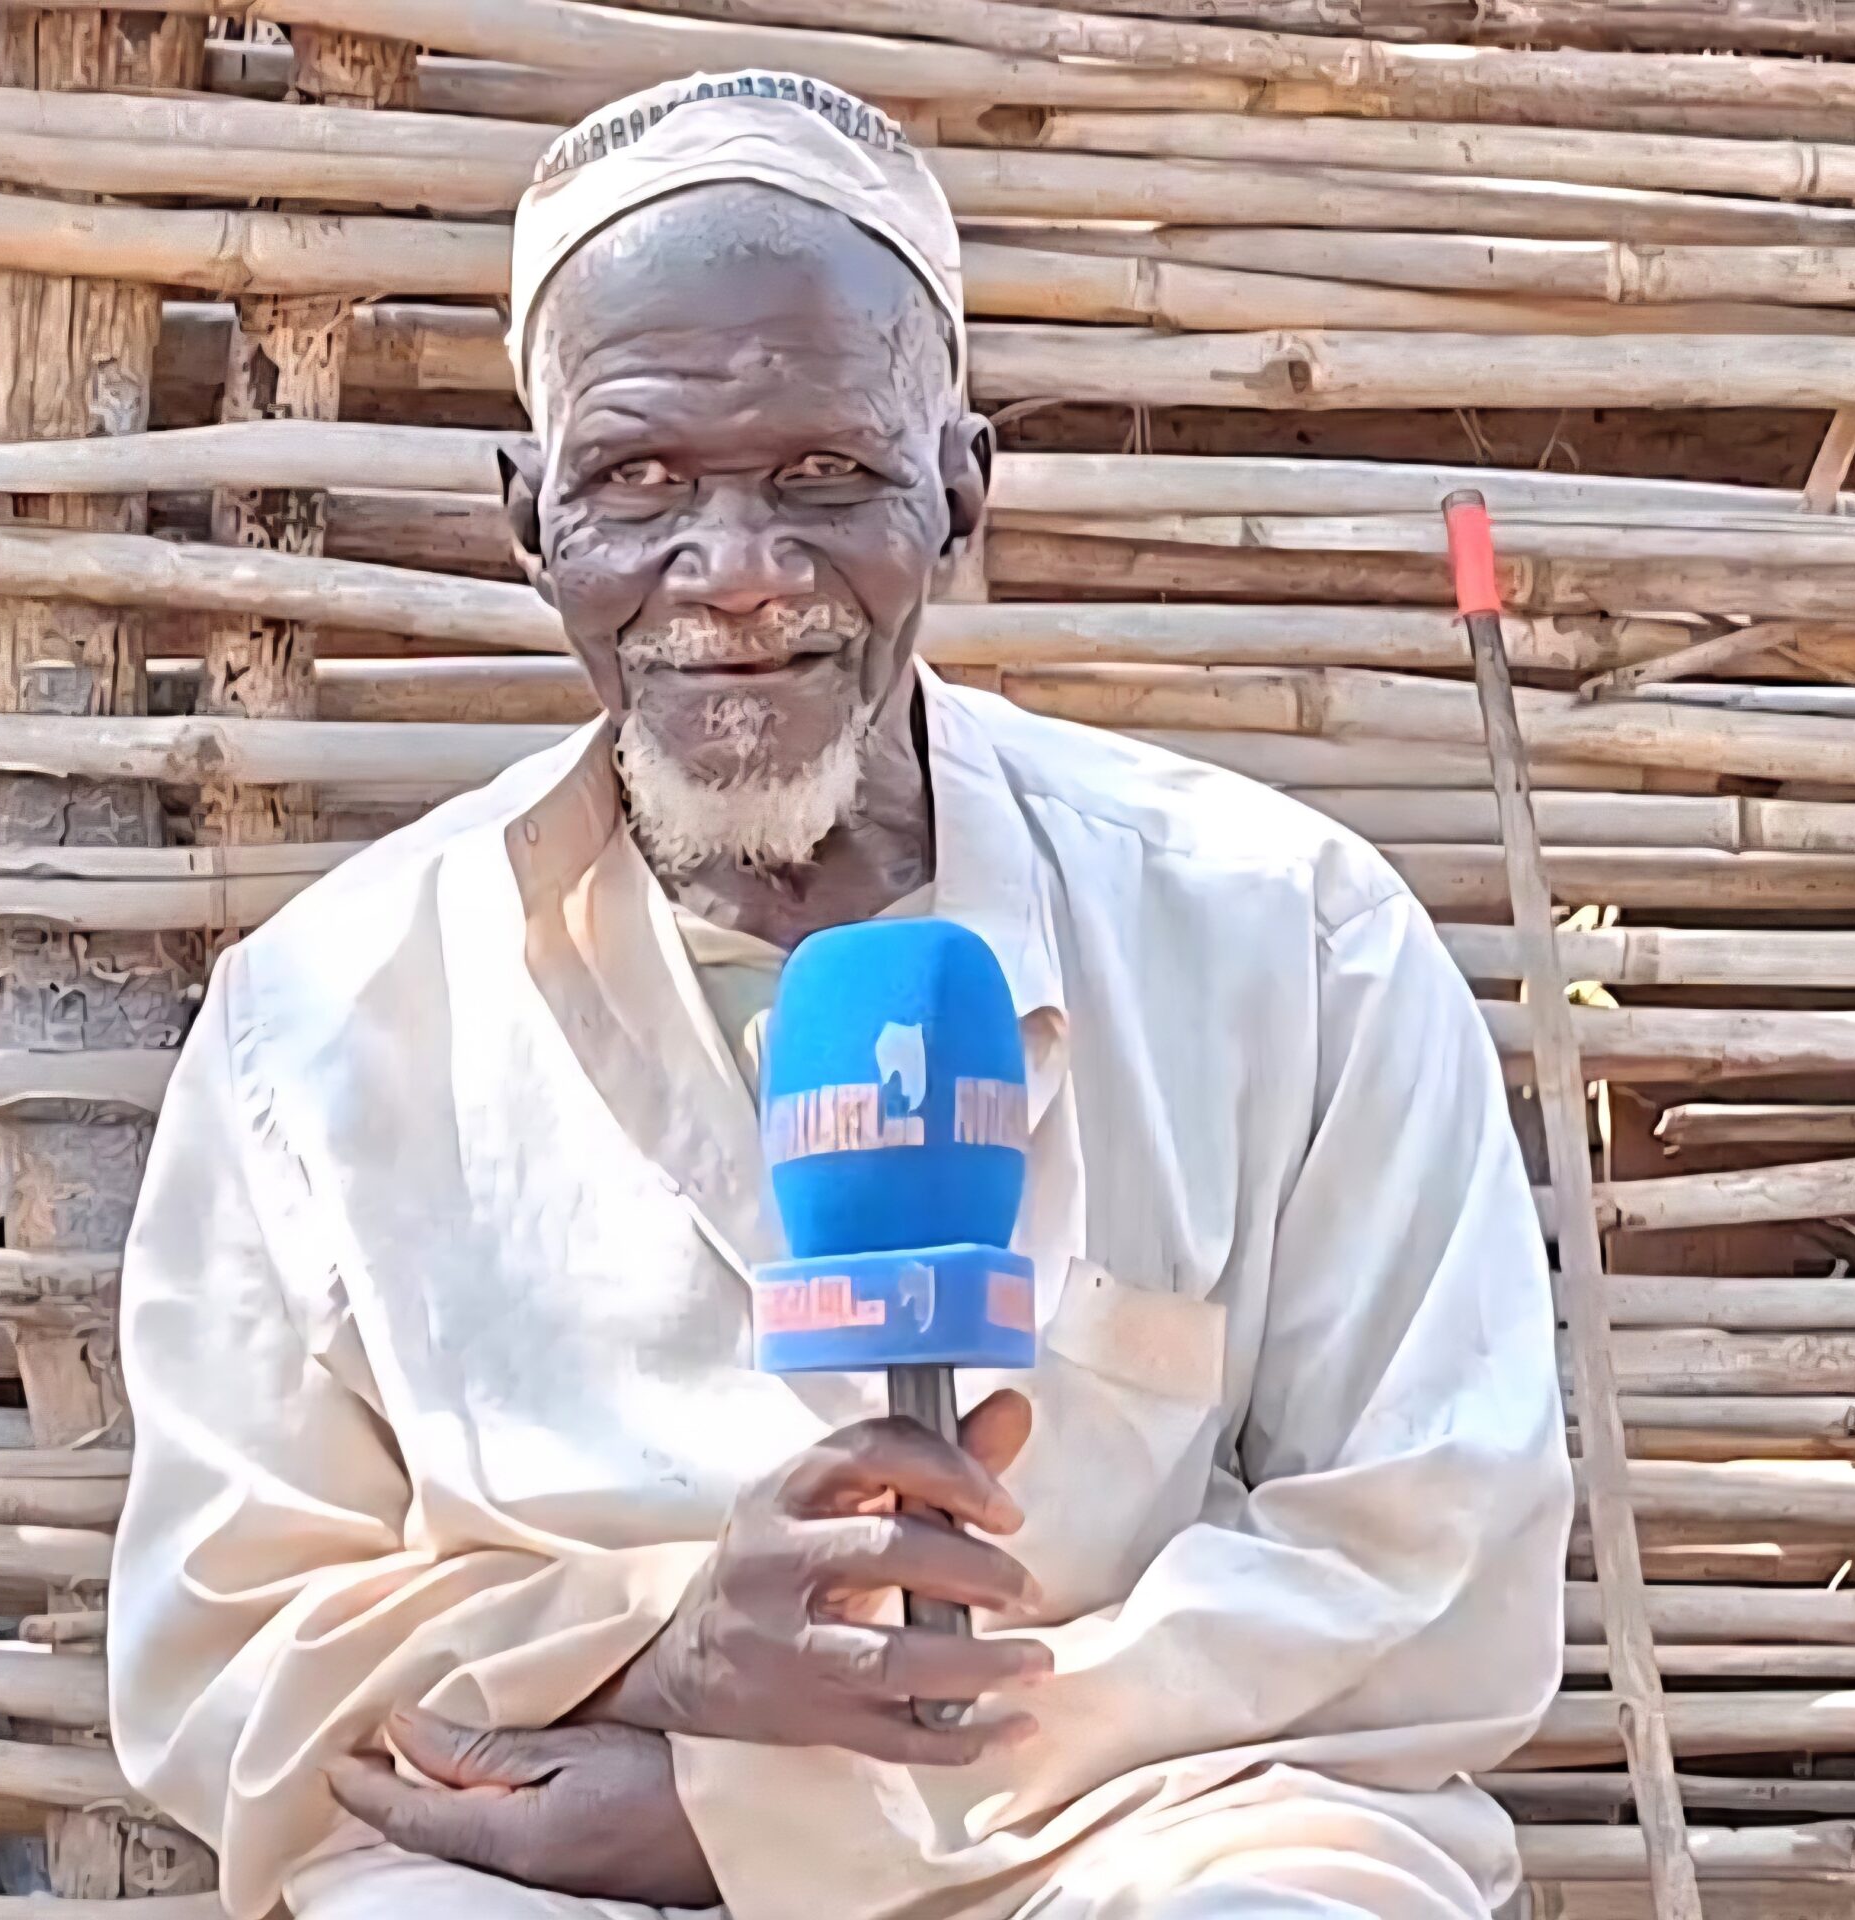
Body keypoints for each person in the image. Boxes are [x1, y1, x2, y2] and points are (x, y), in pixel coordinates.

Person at [108, 71, 1572, 1920]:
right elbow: (225, 1643)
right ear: (524, 519)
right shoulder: (314, 1023)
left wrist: (783, 1817)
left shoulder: (1292, 939)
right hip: (567, 1855)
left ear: (959, 491)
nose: (736, 573)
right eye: (639, 481)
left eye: (827, 476)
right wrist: (660, 1656)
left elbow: (1429, 1562)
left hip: (1148, 1821)